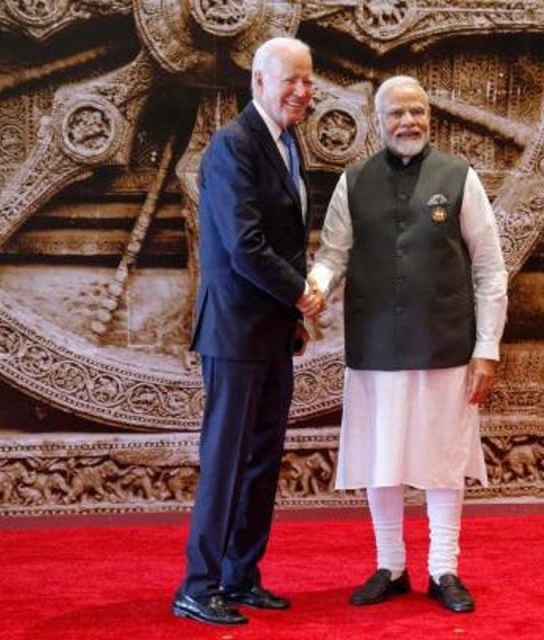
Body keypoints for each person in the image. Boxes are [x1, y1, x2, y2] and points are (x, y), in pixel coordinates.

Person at [308, 75, 508, 613]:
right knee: (382, 458)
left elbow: (490, 269)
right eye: (396, 113)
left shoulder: (459, 177)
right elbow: (333, 253)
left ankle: (444, 567)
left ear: (429, 116)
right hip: (374, 346)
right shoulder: (353, 182)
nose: (408, 122)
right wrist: (318, 286)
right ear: (378, 120)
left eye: (417, 111)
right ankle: (390, 565)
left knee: (443, 459)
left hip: (445, 344)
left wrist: (486, 346)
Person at [172, 36, 324, 626]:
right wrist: (299, 293)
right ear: (258, 81)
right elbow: (245, 246)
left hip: (271, 331)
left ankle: (240, 576)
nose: (303, 91)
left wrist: (290, 316)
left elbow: (278, 238)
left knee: (261, 459)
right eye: (291, 79)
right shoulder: (233, 145)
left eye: (309, 81)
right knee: (226, 459)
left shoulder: (286, 143)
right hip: (235, 333)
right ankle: (198, 585)